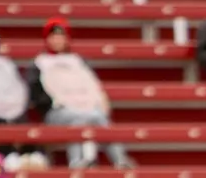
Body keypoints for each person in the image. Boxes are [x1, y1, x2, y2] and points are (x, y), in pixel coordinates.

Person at [29, 17, 133, 169]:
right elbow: (37, 96)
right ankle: (112, 159)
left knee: (85, 119)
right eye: (53, 36)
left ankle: (110, 161)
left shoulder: (78, 61)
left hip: (85, 110)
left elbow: (93, 88)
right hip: (56, 112)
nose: (57, 40)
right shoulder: (39, 64)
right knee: (93, 117)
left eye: (61, 36)